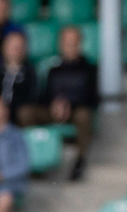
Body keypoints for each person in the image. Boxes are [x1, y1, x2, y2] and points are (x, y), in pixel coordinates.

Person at [40, 25, 98, 178]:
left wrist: (68, 105)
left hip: (76, 111)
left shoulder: (90, 69)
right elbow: (44, 95)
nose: (70, 47)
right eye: (67, 43)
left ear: (80, 44)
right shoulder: (53, 69)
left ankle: (80, 160)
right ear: (60, 45)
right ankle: (36, 155)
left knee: (84, 115)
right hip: (53, 111)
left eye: (74, 43)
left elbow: (92, 99)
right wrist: (53, 104)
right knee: (26, 113)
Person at [0, 30, 37, 121]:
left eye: (19, 46)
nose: (15, 49)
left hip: (17, 114)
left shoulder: (30, 73)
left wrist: (6, 110)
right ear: (4, 47)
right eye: (12, 45)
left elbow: (31, 98)